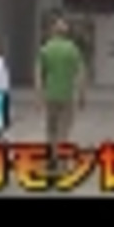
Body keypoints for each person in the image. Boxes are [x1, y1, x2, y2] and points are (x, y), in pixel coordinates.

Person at [36, 17, 86, 172]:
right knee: (64, 129)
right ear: (66, 32)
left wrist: (39, 96)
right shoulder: (72, 49)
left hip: (50, 94)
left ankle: (52, 158)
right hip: (67, 95)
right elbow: (80, 73)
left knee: (51, 129)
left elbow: (39, 75)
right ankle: (62, 161)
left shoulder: (45, 49)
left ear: (52, 31)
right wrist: (81, 94)